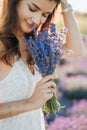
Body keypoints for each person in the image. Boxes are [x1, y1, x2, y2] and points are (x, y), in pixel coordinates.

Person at [0, 0, 84, 130]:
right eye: (32, 9)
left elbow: (76, 49)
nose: (37, 19)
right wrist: (31, 103)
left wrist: (65, 5)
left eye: (45, 14)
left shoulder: (36, 46)